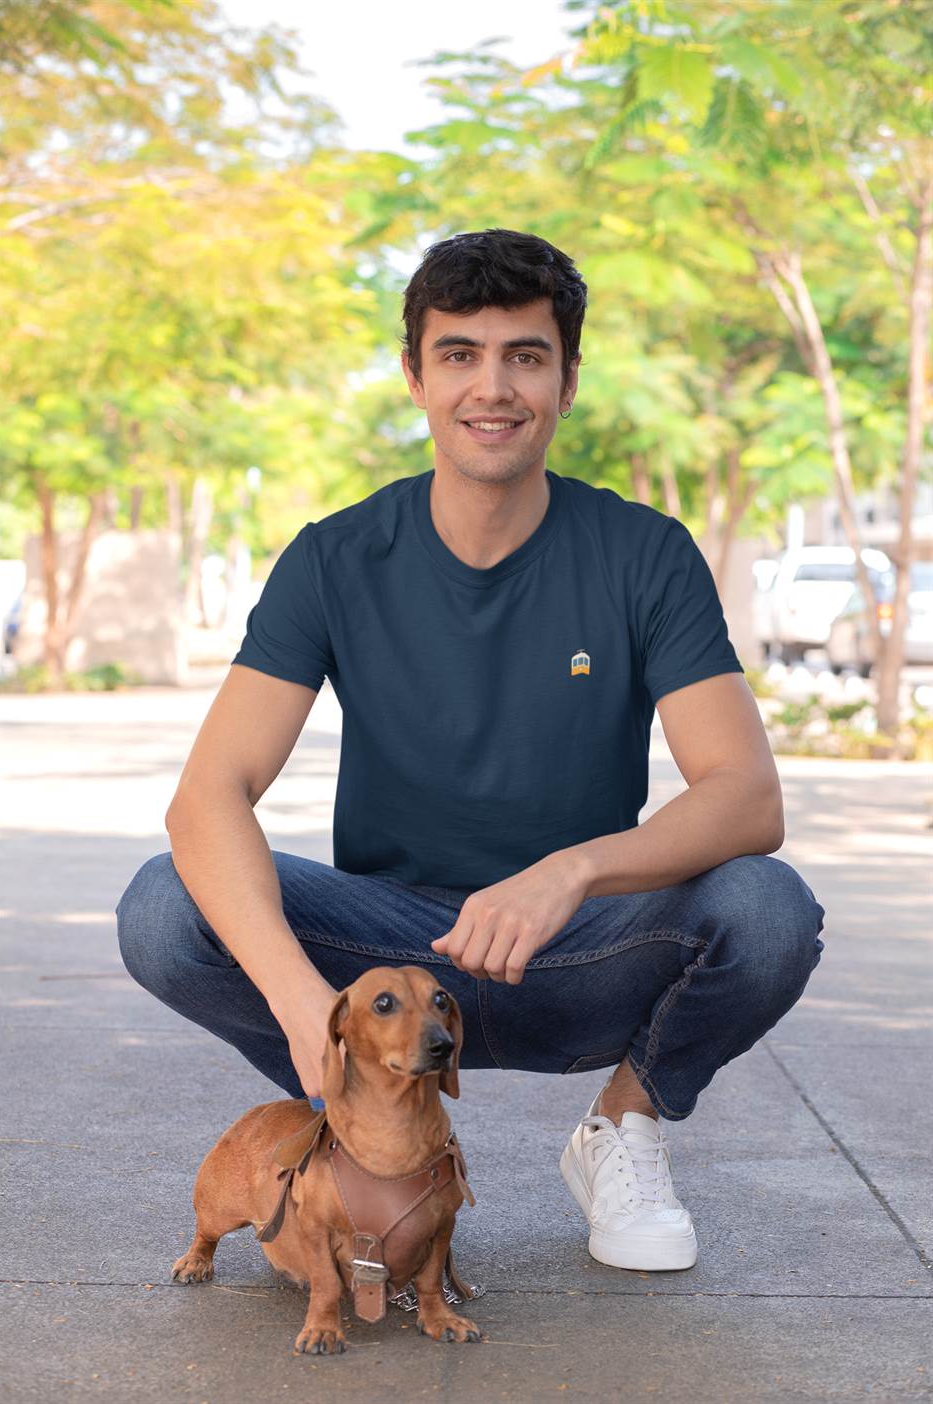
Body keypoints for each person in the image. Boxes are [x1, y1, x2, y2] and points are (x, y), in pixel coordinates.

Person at [116, 227, 825, 1275]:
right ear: (416, 376)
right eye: (460, 354)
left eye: (525, 356)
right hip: (392, 963)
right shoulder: (334, 558)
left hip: (575, 945)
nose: (492, 387)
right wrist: (310, 1010)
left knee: (767, 909)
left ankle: (620, 1129)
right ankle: (365, 1129)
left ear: (567, 380)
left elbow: (746, 796)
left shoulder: (643, 554)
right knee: (164, 905)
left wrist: (570, 870)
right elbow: (207, 796)